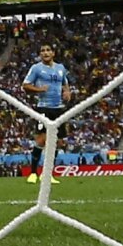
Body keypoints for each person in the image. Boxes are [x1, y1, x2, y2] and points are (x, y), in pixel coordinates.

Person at [21, 43, 71, 184]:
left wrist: (67, 91)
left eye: (48, 50)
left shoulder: (60, 68)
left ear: (53, 53)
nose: (45, 53)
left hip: (59, 108)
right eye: (42, 50)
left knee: (58, 142)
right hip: (43, 108)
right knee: (42, 141)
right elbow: (25, 85)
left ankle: (47, 174)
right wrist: (39, 89)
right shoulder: (36, 68)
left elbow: (65, 83)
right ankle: (33, 173)